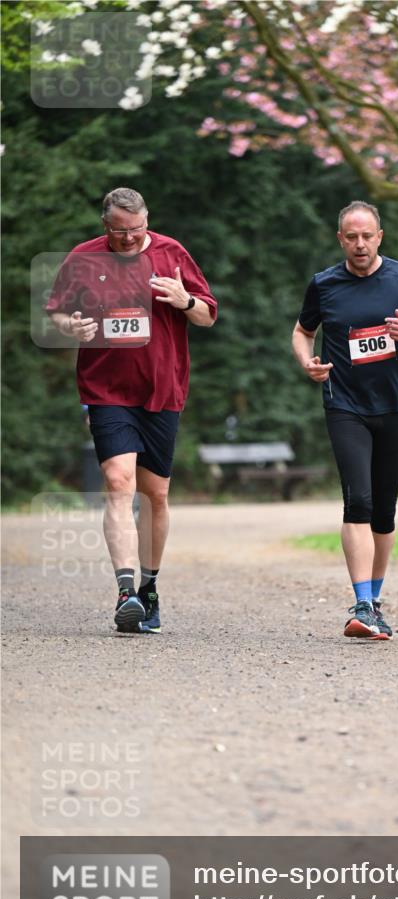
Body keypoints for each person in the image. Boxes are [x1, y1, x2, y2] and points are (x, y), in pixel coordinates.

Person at [47, 187, 217, 633]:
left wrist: (186, 301)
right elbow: (58, 314)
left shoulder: (171, 253)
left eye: (136, 230)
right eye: (120, 231)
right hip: (106, 390)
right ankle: (125, 592)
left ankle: (149, 588)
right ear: (106, 225)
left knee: (155, 495)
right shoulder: (84, 258)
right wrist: (73, 325)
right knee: (117, 480)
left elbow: (208, 315)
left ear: (147, 221)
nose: (128, 239)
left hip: (162, 389)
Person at [292, 200, 398, 639]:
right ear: (341, 239)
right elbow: (303, 331)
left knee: (385, 511)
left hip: (395, 406)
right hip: (345, 405)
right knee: (358, 500)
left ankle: (374, 601)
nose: (359, 244)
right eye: (351, 237)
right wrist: (308, 362)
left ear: (380, 237)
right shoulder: (324, 284)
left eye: (367, 236)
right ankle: (360, 604)